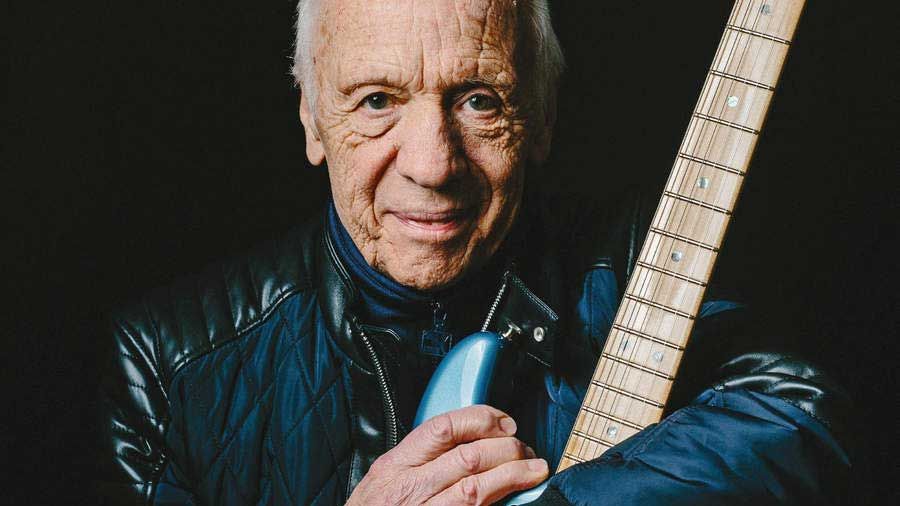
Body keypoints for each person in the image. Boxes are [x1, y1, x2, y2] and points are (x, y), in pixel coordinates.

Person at [96, 0, 853, 504]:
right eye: (377, 101)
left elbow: (805, 416)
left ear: (543, 117)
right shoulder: (168, 365)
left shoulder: (640, 258)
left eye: (478, 99)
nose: (432, 164)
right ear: (311, 118)